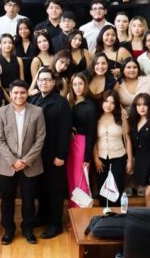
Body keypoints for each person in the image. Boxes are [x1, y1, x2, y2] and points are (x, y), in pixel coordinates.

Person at [0, 80, 46, 245]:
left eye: (22, 92)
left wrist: (25, 161)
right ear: (10, 94)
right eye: (15, 93)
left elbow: (40, 139)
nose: (19, 96)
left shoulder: (37, 111)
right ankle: (8, 230)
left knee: (29, 200)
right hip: (7, 165)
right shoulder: (2, 112)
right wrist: (13, 160)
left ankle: (28, 229)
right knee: (7, 200)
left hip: (30, 164)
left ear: (27, 94)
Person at [29, 67, 72, 239]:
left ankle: (55, 224)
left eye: (47, 80)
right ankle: (42, 216)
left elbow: (65, 131)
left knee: (55, 189)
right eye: (41, 80)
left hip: (54, 154)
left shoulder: (61, 103)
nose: (44, 83)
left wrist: (61, 155)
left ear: (53, 82)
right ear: (37, 82)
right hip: (37, 154)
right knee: (41, 187)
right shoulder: (33, 99)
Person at [93, 89, 132, 207]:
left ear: (116, 104)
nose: (108, 105)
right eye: (106, 101)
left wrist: (130, 160)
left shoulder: (121, 117)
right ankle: (104, 216)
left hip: (119, 157)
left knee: (116, 189)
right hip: (101, 159)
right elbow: (94, 140)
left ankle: (117, 215)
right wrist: (96, 159)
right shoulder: (96, 117)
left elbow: (127, 139)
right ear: (102, 102)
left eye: (112, 102)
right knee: (102, 190)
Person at [66, 72, 97, 208]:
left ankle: (83, 213)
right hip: (70, 144)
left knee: (81, 178)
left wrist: (87, 156)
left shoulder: (90, 105)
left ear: (85, 85)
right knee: (71, 178)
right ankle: (74, 212)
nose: (77, 87)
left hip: (82, 143)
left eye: (80, 84)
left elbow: (92, 132)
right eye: (74, 84)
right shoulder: (70, 102)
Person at [14, 18, 37, 85]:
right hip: (18, 75)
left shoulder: (36, 42)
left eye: (26, 28)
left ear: (30, 29)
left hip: (33, 75)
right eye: (20, 29)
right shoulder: (15, 43)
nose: (23, 31)